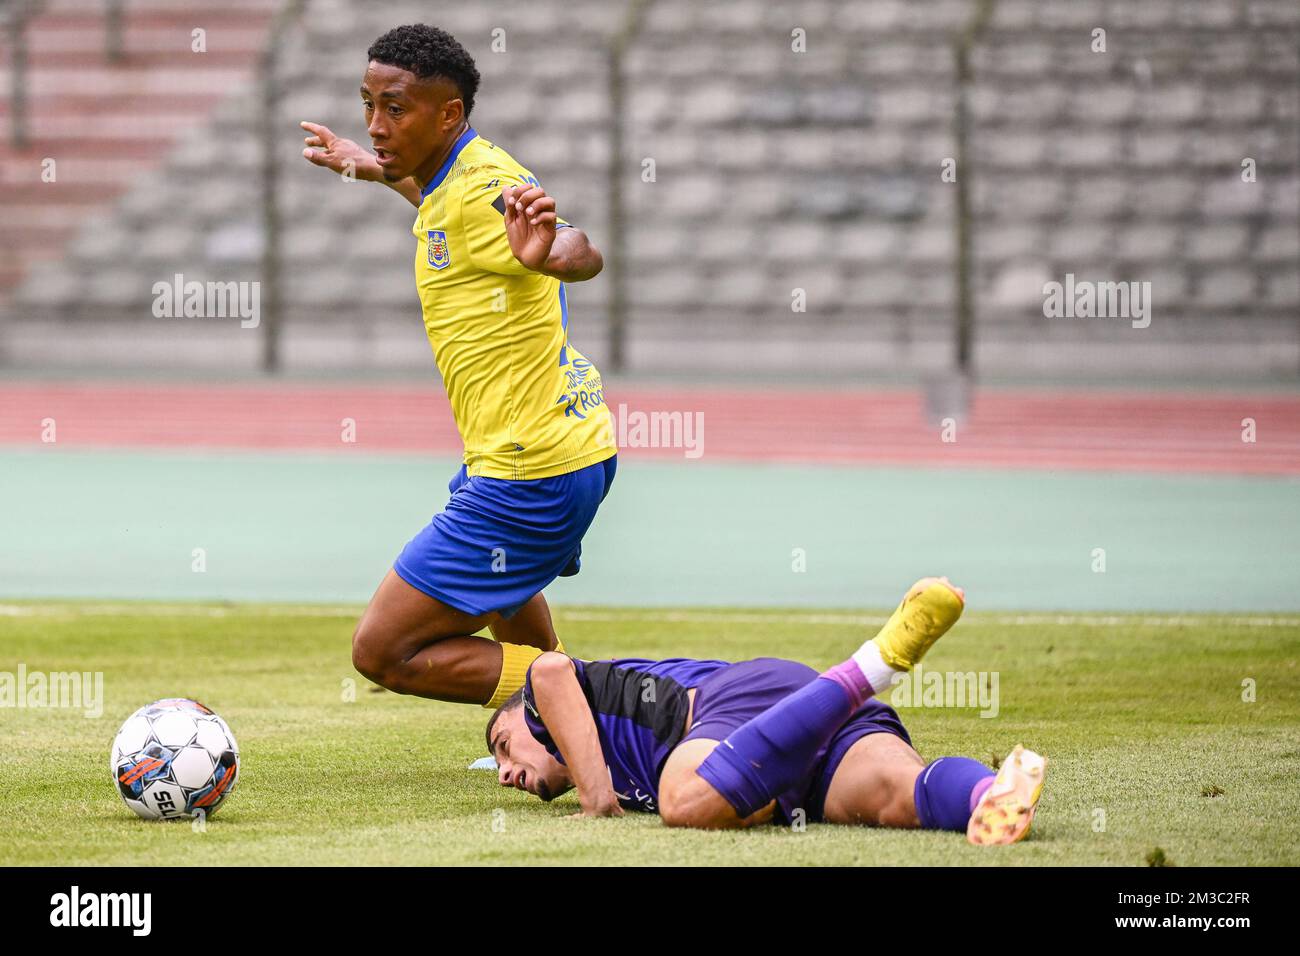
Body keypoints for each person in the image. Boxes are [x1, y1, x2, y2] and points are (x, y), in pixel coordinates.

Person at [301, 24, 617, 709]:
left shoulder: (488, 188)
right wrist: (363, 163)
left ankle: (588, 704)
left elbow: (579, 247)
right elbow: (433, 203)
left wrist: (553, 254)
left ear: (449, 114)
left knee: (383, 651)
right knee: (505, 590)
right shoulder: (455, 180)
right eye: (368, 105)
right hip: (558, 451)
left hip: (528, 470)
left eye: (395, 107)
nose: (376, 123)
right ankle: (557, 722)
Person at [484, 578, 1047, 845]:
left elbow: (549, 671)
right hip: (780, 739)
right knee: (900, 795)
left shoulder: (547, 699)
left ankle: (870, 668)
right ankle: (992, 792)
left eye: (503, 744)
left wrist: (596, 801)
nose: (507, 772)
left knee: (685, 797)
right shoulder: (616, 767)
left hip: (737, 703)